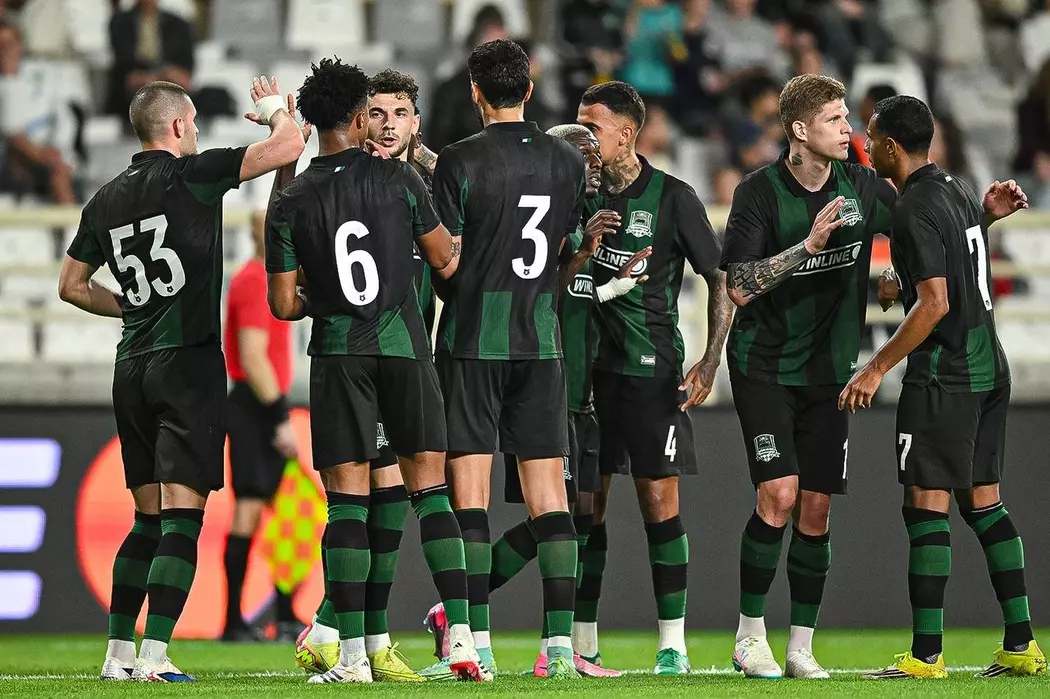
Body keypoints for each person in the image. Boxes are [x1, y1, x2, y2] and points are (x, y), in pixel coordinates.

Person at [58, 76, 305, 682]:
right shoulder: (194, 173)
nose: (194, 131)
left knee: (145, 521)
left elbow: (71, 286)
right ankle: (154, 657)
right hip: (188, 365)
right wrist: (276, 111)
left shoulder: (104, 199)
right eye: (191, 122)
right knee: (182, 520)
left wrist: (132, 306)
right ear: (175, 126)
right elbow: (289, 145)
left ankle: (118, 655)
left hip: (131, 367)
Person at [265, 57, 486, 685]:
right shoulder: (401, 179)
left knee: (347, 506)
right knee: (431, 492)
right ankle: (464, 640)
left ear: (312, 122)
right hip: (406, 349)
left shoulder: (290, 200)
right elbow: (444, 259)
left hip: (340, 356)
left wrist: (325, 295)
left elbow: (283, 305)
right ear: (361, 117)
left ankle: (353, 658)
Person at [843, 94, 1046, 680]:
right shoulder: (955, 188)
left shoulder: (910, 206)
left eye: (871, 136)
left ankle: (926, 655)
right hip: (989, 365)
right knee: (985, 502)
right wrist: (983, 218)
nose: (865, 144)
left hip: (944, 374)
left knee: (925, 505)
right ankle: (1021, 645)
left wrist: (877, 366)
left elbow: (935, 304)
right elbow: (954, 253)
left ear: (890, 146)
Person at [720, 73, 897, 680]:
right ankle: (749, 638)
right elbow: (739, 286)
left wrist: (899, 267)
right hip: (765, 366)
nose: (848, 129)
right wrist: (808, 245)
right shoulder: (759, 193)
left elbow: (918, 228)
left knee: (815, 510)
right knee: (780, 495)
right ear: (799, 130)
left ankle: (800, 647)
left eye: (847, 117)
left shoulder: (863, 186)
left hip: (830, 372)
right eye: (834, 120)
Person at [429, 38, 589, 680]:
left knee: (469, 497)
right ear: (528, 89)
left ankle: (475, 646)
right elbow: (565, 251)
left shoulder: (457, 160)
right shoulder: (567, 161)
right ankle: (560, 651)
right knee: (550, 499)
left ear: (475, 92)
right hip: (541, 343)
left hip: (473, 340)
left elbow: (445, 263)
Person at [576, 80, 732, 675]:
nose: (582, 138)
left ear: (626, 134)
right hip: (587, 373)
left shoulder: (672, 197)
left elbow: (719, 278)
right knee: (585, 507)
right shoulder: (575, 193)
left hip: (650, 371)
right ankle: (583, 641)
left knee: (658, 503)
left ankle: (673, 644)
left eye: (592, 128)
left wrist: (710, 359)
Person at [484, 123, 647, 679]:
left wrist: (611, 281)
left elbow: (577, 299)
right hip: (546, 393)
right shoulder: (544, 220)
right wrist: (581, 251)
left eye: (596, 155)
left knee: (581, 518)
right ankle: (519, 632)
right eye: (583, 154)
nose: (594, 163)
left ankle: (554, 641)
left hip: (583, 397)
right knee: (561, 518)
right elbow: (541, 295)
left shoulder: (585, 218)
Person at [293, 67, 440, 684]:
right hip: (369, 356)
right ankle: (349, 633)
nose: (386, 125)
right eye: (376, 113)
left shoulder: (426, 184)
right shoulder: (365, 187)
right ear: (360, 120)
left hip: (405, 354)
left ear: (414, 123)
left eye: (399, 114)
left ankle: (356, 636)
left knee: (387, 506)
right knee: (364, 500)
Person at [220, 209, 299, 643]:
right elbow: (253, 357)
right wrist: (280, 417)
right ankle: (234, 620)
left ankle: (282, 614)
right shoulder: (254, 281)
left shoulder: (266, 279)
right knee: (250, 509)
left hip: (260, 404)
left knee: (287, 512)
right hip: (256, 407)